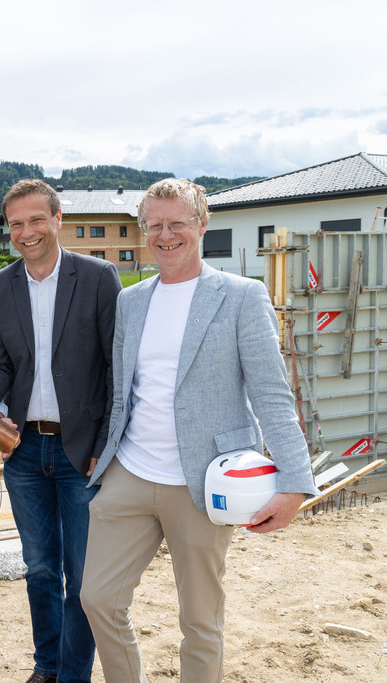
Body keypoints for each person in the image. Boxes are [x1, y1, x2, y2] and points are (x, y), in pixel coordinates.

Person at [81, 178, 318, 682]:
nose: (166, 235)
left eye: (178, 223)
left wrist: (295, 483)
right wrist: (103, 455)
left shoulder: (241, 297)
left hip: (206, 481)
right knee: (97, 598)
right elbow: (124, 391)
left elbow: (271, 394)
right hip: (130, 472)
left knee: (200, 619)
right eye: (155, 225)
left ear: (202, 225)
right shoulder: (132, 300)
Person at [0, 179, 120, 683]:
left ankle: (74, 673)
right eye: (16, 224)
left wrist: (104, 446)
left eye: (36, 220)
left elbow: (118, 369)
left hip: (83, 454)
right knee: (40, 570)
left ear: (57, 220)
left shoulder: (99, 277)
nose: (26, 232)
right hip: (24, 451)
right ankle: (47, 666)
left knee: (83, 578)